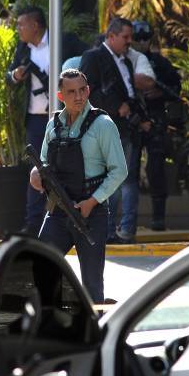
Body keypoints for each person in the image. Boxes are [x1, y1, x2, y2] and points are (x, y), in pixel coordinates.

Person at [30, 69, 127, 303]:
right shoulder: (53, 125)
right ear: (61, 96)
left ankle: (94, 332)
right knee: (41, 267)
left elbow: (119, 170)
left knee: (92, 286)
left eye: (82, 90)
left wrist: (92, 202)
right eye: (71, 92)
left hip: (91, 214)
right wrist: (35, 173)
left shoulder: (103, 124)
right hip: (58, 210)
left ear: (88, 90)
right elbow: (43, 161)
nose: (78, 96)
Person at [7, 6, 88, 236]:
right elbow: (9, 76)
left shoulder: (65, 41)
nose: (18, 29)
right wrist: (16, 75)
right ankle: (34, 224)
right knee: (37, 169)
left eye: (21, 24)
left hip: (64, 117)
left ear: (35, 25)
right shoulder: (23, 48)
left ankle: (73, 216)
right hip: (36, 119)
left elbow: (89, 59)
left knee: (68, 165)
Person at [79, 18, 155, 243]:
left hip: (126, 128)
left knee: (127, 178)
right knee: (109, 179)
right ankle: (108, 230)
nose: (129, 42)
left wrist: (136, 114)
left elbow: (130, 93)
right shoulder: (94, 57)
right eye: (125, 37)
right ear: (111, 36)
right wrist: (114, 107)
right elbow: (84, 92)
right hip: (105, 127)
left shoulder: (127, 62)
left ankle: (125, 229)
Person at [114, 19, 182, 236]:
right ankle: (124, 223)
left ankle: (158, 218)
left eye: (146, 38)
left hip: (155, 121)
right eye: (138, 38)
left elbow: (176, 91)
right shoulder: (124, 61)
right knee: (128, 172)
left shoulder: (161, 64)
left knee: (156, 170)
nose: (142, 42)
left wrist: (160, 93)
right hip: (133, 121)